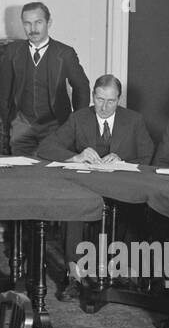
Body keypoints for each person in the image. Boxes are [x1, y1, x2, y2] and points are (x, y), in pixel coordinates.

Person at [37, 75, 154, 302]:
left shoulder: (134, 120)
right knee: (74, 210)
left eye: (111, 101)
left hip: (121, 189)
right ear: (93, 96)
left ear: (119, 99)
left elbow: (148, 155)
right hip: (87, 188)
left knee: (134, 212)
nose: (104, 106)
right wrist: (75, 156)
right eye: (100, 99)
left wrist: (123, 161)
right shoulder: (79, 118)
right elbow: (46, 147)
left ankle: (121, 271)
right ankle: (75, 277)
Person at [0, 1, 90, 157]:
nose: (33, 29)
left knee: (52, 173)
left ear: (48, 22)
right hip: (21, 125)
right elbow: (4, 93)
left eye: (38, 22)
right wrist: (9, 122)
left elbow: (82, 88)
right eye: (27, 24)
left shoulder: (65, 53)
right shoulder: (12, 52)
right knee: (21, 173)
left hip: (55, 126)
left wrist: (76, 123)